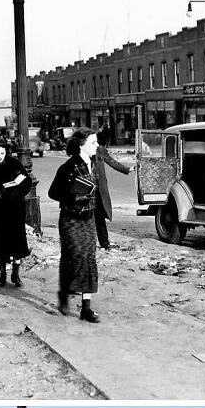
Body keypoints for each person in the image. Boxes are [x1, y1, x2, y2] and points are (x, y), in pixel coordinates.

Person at [48, 127, 101, 322]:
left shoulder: (93, 163)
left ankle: (86, 308)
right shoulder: (68, 167)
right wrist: (74, 196)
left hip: (88, 219)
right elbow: (53, 193)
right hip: (71, 220)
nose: (97, 146)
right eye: (93, 143)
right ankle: (64, 292)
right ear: (81, 145)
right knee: (73, 258)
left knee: (89, 260)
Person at [0, 137, 33, 287]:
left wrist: (15, 193)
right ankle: (3, 274)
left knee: (17, 242)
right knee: (1, 242)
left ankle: (15, 275)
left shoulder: (15, 164)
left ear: (6, 152)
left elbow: (26, 182)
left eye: (2, 153)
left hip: (15, 208)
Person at [94, 128, 133, 249]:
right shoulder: (100, 150)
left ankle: (96, 242)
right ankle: (104, 242)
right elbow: (112, 162)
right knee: (99, 216)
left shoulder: (90, 150)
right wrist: (127, 169)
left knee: (92, 216)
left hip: (88, 187)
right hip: (96, 188)